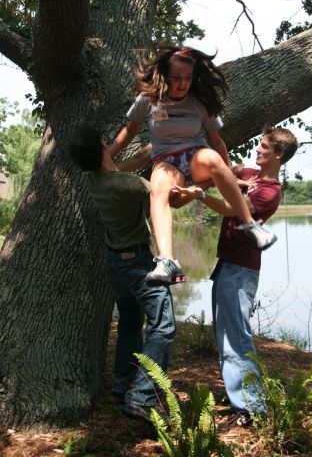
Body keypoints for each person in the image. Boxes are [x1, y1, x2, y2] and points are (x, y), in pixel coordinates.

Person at [110, 45, 277, 286]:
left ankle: (250, 226)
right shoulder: (148, 100)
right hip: (167, 162)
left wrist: (229, 173)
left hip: (196, 156)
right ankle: (167, 260)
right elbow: (128, 132)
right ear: (164, 76)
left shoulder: (200, 101)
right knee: (157, 188)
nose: (182, 84)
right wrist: (109, 160)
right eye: (177, 78)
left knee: (211, 158)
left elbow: (217, 141)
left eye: (188, 78)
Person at [172, 125, 298, 428]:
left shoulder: (270, 192)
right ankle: (241, 400)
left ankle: (253, 408)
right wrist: (211, 134)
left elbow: (231, 208)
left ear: (278, 155)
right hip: (227, 264)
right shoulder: (253, 176)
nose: (257, 150)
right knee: (226, 334)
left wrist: (200, 196)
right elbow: (227, 168)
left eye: (264, 147)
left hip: (241, 270)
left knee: (236, 336)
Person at [68, 126, 176, 422]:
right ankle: (141, 396)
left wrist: (148, 151)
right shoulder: (128, 185)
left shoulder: (95, 180)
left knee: (130, 322)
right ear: (104, 145)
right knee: (163, 326)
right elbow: (162, 194)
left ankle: (122, 383)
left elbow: (119, 170)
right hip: (138, 263)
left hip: (115, 265)